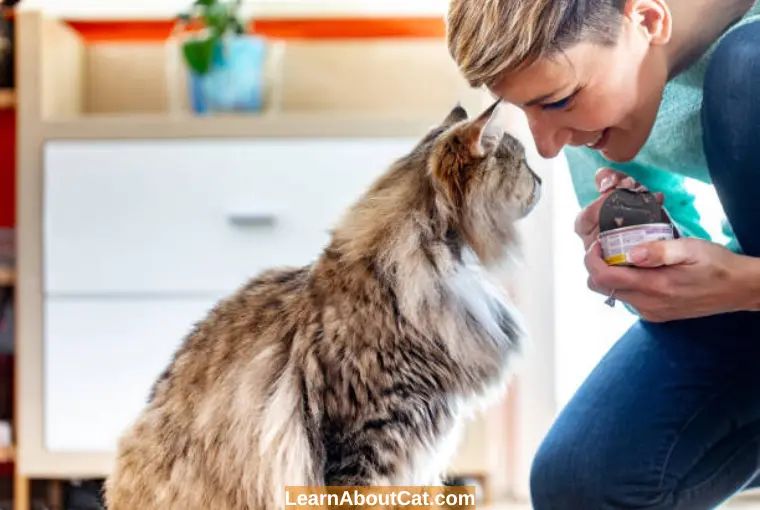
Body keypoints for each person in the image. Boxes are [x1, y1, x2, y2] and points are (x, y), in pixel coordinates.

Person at [446, 0, 760, 508]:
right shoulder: (595, 105)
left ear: (648, 20)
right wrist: (659, 269)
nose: (545, 147)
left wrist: (746, 285)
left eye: (558, 101)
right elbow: (683, 275)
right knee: (578, 481)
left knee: (748, 68)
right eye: (526, 111)